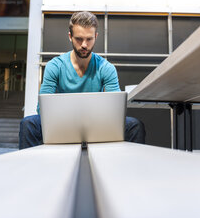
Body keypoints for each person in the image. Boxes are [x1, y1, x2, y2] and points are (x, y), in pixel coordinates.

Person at [19, 11, 145, 149]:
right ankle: (31, 169)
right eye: (79, 39)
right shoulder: (55, 66)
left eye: (89, 39)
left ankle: (123, 170)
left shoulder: (106, 68)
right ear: (70, 37)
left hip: (97, 124)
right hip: (61, 123)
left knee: (134, 125)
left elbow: (116, 113)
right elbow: (42, 110)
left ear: (96, 36)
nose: (84, 45)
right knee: (28, 124)